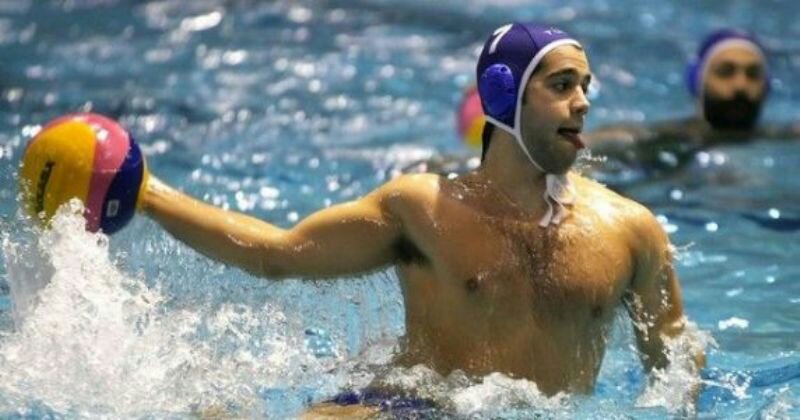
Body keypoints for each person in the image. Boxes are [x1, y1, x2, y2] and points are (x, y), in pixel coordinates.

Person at [139, 23, 704, 416]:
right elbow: (277, 255)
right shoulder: (423, 210)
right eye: (561, 85)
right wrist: (150, 195)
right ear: (502, 94)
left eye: (585, 86)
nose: (583, 102)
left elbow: (677, 361)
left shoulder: (631, 229)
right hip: (419, 408)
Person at [587, 29, 800, 172]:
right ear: (697, 81)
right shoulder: (661, 139)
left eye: (753, 74)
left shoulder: (783, 137)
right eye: (725, 72)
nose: (740, 85)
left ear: (767, 85)